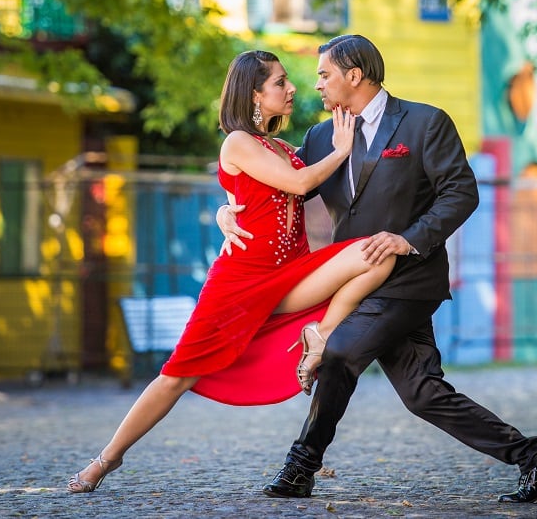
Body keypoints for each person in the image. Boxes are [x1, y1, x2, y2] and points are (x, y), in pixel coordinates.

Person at [218, 34, 537, 504]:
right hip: (357, 283)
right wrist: (228, 209)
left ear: (355, 75)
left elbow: (461, 193)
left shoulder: (426, 123)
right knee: (423, 393)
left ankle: (300, 466)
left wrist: (408, 239)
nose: (317, 85)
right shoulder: (322, 137)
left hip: (411, 279)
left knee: (339, 352)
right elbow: (278, 190)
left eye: (325, 74)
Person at [67, 49, 396, 494]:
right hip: (240, 283)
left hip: (293, 274)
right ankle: (106, 459)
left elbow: (265, 189)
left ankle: (318, 335)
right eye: (280, 82)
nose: (293, 87)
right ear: (254, 94)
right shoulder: (237, 141)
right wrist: (341, 150)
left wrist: (227, 208)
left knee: (379, 253)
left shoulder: (280, 147)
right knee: (176, 377)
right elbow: (299, 184)